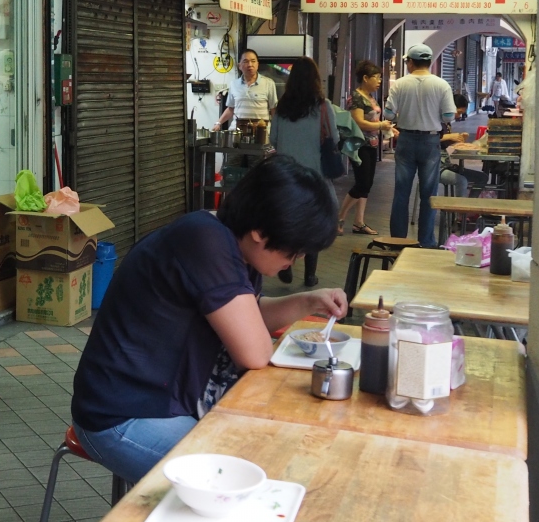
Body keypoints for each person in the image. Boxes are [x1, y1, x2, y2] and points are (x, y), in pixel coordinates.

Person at [70, 156, 346, 483]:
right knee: (247, 480)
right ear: (260, 232)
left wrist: (309, 301)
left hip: (167, 405)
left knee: (273, 456)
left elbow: (244, 317)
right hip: (123, 416)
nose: (294, 262)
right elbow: (254, 353)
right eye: (293, 252)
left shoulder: (231, 243)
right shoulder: (206, 241)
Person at [269, 57, 337, 286]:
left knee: (288, 220)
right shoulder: (323, 106)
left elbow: (273, 138)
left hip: (286, 174)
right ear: (316, 79)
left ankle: (286, 265)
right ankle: (310, 274)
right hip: (314, 175)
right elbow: (334, 137)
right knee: (312, 223)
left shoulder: (282, 106)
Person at [385, 43, 455, 248]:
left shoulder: (399, 84)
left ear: (410, 62)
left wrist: (402, 115)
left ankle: (398, 240)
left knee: (401, 193)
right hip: (430, 141)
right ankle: (426, 241)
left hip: (405, 140)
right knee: (429, 193)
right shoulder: (441, 85)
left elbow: (388, 114)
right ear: (430, 62)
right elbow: (449, 115)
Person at [337, 60, 394, 236]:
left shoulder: (370, 97)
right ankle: (339, 219)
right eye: (376, 77)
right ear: (365, 78)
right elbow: (359, 122)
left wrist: (388, 128)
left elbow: (373, 120)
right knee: (362, 183)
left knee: (367, 184)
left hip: (371, 144)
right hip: (360, 145)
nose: (379, 81)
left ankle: (359, 222)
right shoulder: (356, 98)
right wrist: (381, 126)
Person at [213, 49, 277, 143]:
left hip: (261, 134)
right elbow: (231, 108)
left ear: (258, 64)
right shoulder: (234, 84)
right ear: (239, 66)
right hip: (236, 134)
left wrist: (277, 130)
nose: (250, 64)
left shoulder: (269, 83)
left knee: (259, 153)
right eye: (245, 61)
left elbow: (273, 109)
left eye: (253, 61)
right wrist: (218, 123)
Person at [440, 93, 490, 197]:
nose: (459, 116)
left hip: (447, 164)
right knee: (461, 181)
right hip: (435, 168)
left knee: (482, 178)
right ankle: (460, 207)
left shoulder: (447, 123)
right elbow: (430, 139)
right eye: (458, 112)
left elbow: (443, 143)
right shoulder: (435, 122)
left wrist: (457, 138)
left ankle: (468, 205)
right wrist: (449, 136)